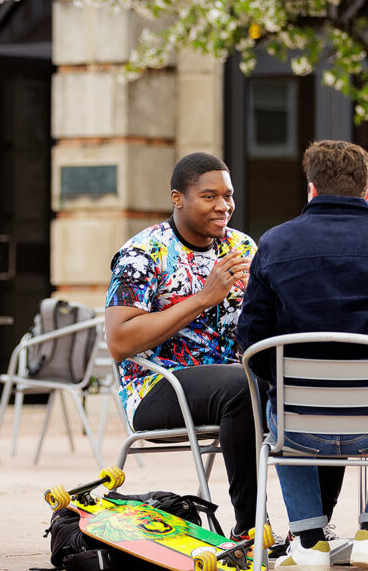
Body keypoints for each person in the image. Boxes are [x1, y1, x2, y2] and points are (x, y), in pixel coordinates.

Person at [238, 140, 368, 571]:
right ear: (367, 190)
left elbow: (251, 341)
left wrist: (285, 385)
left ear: (311, 189)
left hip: (298, 428)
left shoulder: (273, 244)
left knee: (278, 406)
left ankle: (308, 543)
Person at [105, 152, 263, 539]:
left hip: (232, 382)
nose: (223, 206)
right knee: (243, 388)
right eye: (209, 196)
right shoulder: (143, 254)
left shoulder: (242, 248)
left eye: (228, 196)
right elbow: (119, 341)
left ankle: (314, 529)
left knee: (299, 381)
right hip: (158, 387)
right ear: (178, 198)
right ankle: (251, 529)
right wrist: (202, 299)